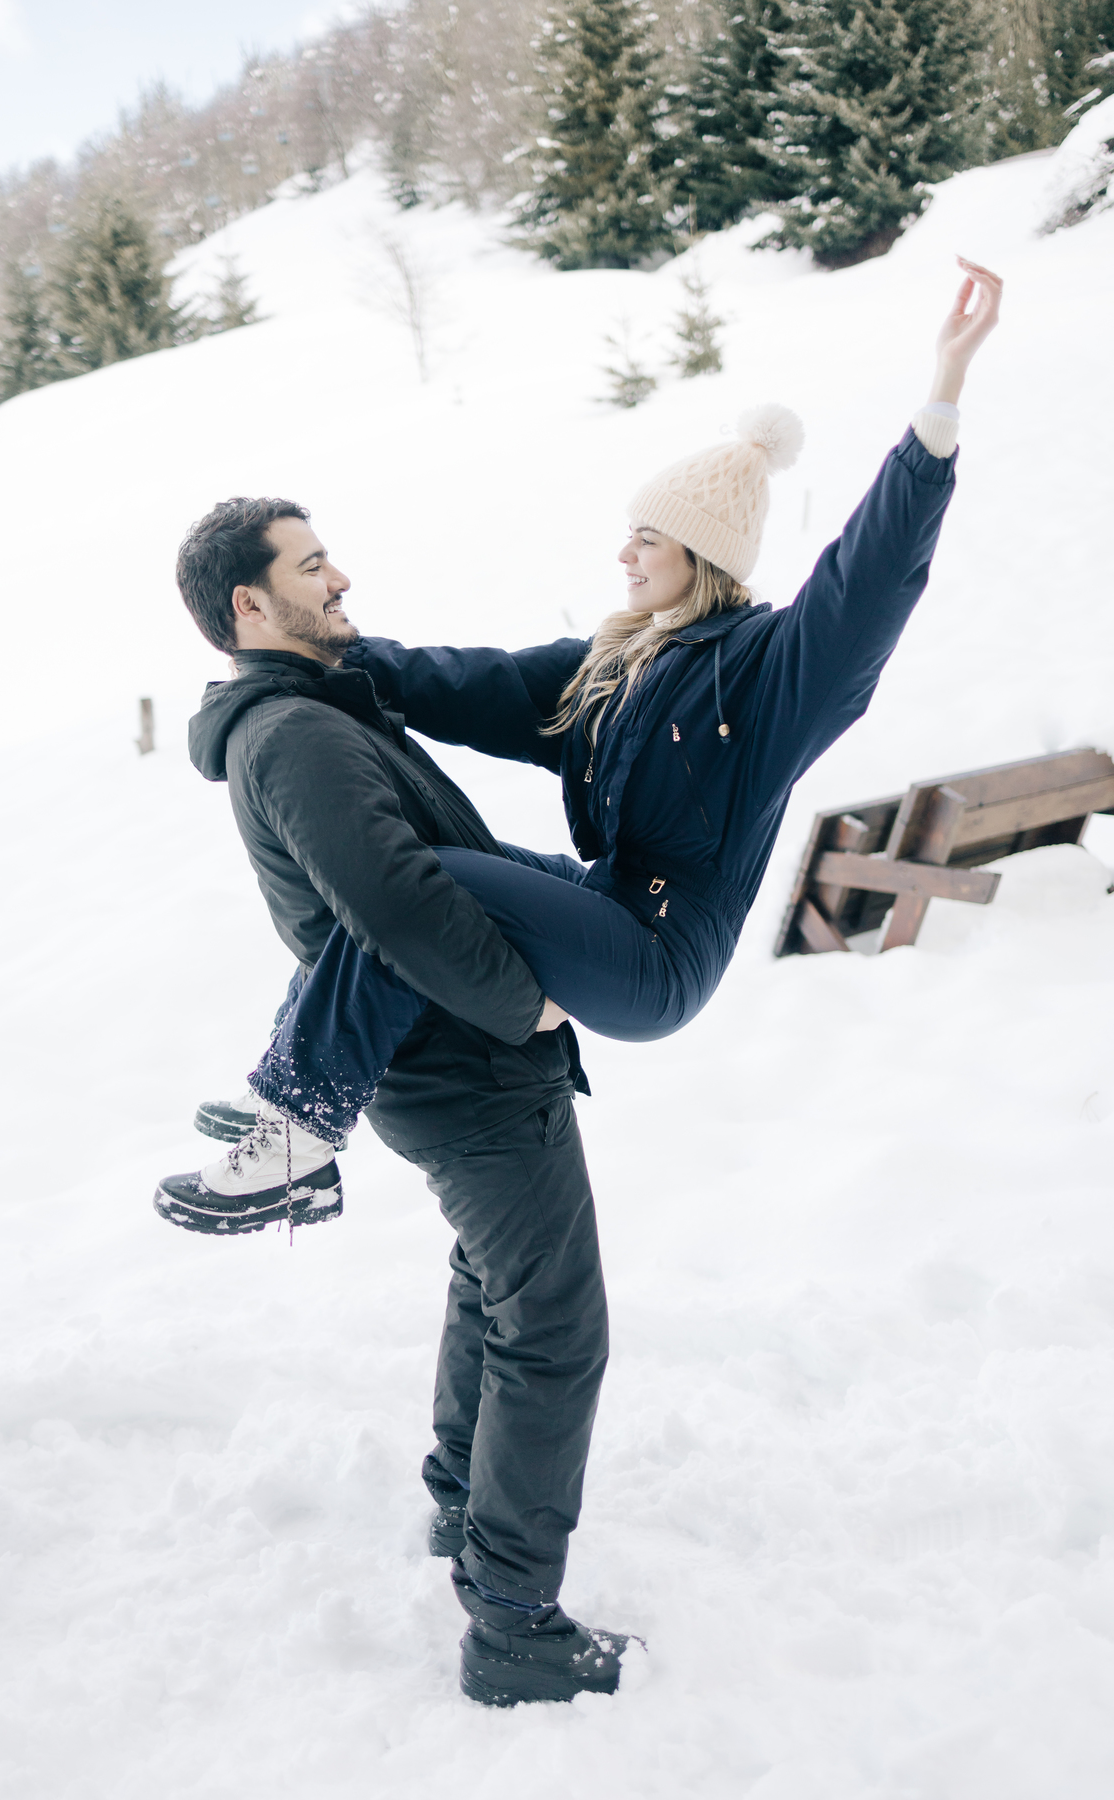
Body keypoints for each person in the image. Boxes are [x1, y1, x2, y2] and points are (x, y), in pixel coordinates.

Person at [161, 256, 1002, 1232]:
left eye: (648, 538)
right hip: (609, 903)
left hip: (658, 957)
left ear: (699, 557)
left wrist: (938, 409)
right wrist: (310, 661)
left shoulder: (771, 676)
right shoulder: (620, 664)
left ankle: (298, 1126)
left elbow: (869, 583)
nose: (624, 554)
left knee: (426, 876)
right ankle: (292, 1079)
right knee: (411, 872)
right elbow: (475, 683)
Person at [162, 492, 631, 1708]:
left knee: (496, 1284)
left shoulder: (315, 711)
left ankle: (462, 1505)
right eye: (312, 566)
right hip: (466, 1067)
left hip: (446, 1064)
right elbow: (397, 903)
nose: (341, 580)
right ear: (250, 604)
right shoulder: (294, 734)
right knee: (554, 1327)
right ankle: (514, 1626)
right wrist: (525, 1004)